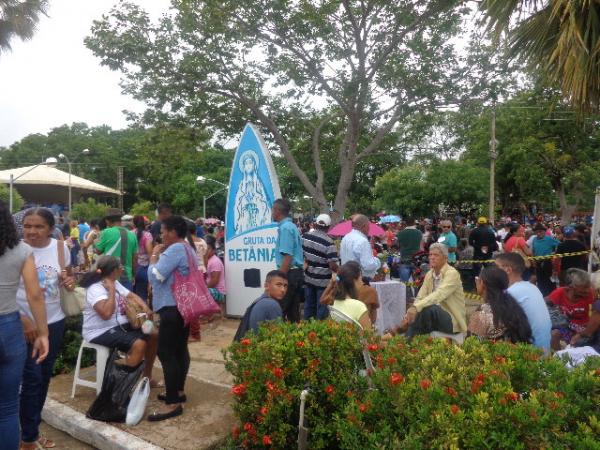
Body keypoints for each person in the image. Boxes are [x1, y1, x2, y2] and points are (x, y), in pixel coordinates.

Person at [16, 208, 76, 450]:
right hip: (22, 325)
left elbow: (68, 278)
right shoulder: (14, 250)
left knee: (41, 379)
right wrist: (22, 319)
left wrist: (70, 282)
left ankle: (31, 429)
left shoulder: (61, 249)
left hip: (53, 323)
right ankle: (27, 436)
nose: (32, 231)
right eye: (28, 226)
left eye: (38, 226)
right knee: (31, 380)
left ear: (51, 228)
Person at [0, 200, 49, 450]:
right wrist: (43, 334)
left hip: (10, 325)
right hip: (9, 328)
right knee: (7, 408)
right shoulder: (21, 251)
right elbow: (35, 294)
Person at [148, 215, 197, 421]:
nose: (161, 236)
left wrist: (153, 258)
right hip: (183, 306)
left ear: (172, 232)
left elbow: (156, 275)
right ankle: (177, 392)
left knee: (166, 353)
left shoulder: (176, 249)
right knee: (179, 350)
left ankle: (172, 404)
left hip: (172, 307)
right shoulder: (188, 248)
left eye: (163, 231)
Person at [80, 255, 157, 380]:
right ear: (113, 270)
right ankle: (123, 388)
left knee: (153, 332)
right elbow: (106, 314)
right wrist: (111, 291)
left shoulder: (114, 282)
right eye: (120, 267)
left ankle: (146, 377)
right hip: (101, 331)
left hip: (122, 325)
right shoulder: (95, 288)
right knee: (139, 344)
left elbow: (131, 295)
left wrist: (145, 308)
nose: (122, 269)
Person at [396, 243, 467, 339]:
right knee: (421, 309)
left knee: (428, 308)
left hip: (451, 319)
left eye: (436, 255)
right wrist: (410, 312)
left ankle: (406, 340)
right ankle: (407, 337)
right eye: (430, 255)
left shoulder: (452, 273)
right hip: (432, 317)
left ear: (445, 258)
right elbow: (420, 297)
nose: (432, 257)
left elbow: (439, 295)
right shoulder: (430, 274)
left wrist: (416, 307)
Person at [495, 252, 552, 353]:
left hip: (530, 356)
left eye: (496, 267)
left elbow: (495, 325)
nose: (493, 271)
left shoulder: (511, 292)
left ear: (508, 270)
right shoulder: (532, 287)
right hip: (543, 350)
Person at [469, 266, 532, 344]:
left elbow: (471, 344)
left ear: (482, 283)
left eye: (477, 279)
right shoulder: (513, 306)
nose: (476, 281)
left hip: (492, 355)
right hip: (515, 353)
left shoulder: (482, 313)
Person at [302, 213, 339, 320]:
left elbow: (303, 255)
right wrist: (340, 270)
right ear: (328, 227)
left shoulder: (305, 237)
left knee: (309, 306)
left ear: (315, 224)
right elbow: (332, 265)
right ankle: (319, 332)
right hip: (323, 283)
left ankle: (306, 330)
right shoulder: (329, 242)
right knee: (322, 308)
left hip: (308, 279)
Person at [547, 268, 595, 351]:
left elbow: (595, 315)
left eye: (588, 287)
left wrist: (582, 332)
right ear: (572, 287)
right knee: (554, 334)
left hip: (584, 329)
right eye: (584, 287)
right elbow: (546, 303)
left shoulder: (590, 294)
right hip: (565, 327)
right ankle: (558, 361)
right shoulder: (560, 292)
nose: (587, 290)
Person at [272, 199, 304, 323]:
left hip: (289, 274)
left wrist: (279, 280)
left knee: (279, 310)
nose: (272, 213)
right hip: (294, 274)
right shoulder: (291, 226)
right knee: (293, 313)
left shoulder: (285, 228)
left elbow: (288, 257)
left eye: (272, 210)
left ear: (277, 211)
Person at [95, 208, 138, 290]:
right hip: (126, 276)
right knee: (125, 302)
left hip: (109, 276)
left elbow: (98, 251)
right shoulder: (132, 235)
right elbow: (135, 259)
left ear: (107, 221)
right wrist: (133, 275)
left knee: (110, 301)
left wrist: (94, 240)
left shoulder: (106, 232)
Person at [323, 261, 372, 330]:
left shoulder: (334, 302)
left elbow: (322, 299)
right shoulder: (359, 306)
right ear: (354, 281)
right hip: (357, 340)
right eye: (360, 279)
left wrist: (331, 284)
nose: (362, 282)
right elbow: (369, 338)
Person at [234, 151, 272, 235]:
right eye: (246, 163)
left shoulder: (259, 184)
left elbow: (265, 203)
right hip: (245, 220)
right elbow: (237, 204)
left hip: (257, 218)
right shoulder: (241, 185)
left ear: (254, 165)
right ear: (243, 166)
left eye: (250, 163)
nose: (248, 166)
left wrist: (257, 202)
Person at [340, 214, 381, 280]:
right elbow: (368, 265)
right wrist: (377, 261)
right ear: (364, 226)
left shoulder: (345, 237)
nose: (369, 229)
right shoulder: (362, 241)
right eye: (368, 226)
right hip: (358, 279)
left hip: (345, 277)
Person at [531, 223, 560, 296]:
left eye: (540, 231)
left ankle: (552, 296)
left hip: (547, 262)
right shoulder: (534, 239)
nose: (538, 233)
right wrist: (533, 260)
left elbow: (559, 244)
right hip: (538, 262)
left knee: (549, 280)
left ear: (544, 231)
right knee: (540, 280)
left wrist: (554, 253)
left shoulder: (549, 239)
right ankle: (543, 296)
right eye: (537, 232)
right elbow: (533, 250)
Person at [395, 217, 423, 282]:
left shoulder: (400, 233)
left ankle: (407, 292)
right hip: (416, 260)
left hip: (404, 259)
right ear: (413, 223)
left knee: (404, 285)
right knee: (417, 283)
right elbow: (421, 247)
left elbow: (397, 245)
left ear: (405, 223)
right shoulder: (419, 233)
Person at [133, 215, 153, 301]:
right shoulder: (147, 235)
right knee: (142, 296)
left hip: (131, 267)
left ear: (133, 224)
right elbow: (150, 253)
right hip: (144, 268)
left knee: (132, 296)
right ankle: (143, 313)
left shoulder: (129, 234)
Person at [204, 235, 226, 311]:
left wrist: (203, 288)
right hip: (212, 288)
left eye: (208, 249)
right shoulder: (207, 260)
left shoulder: (215, 261)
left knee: (200, 292)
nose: (205, 251)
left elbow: (214, 281)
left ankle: (209, 314)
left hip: (218, 291)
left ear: (213, 250)